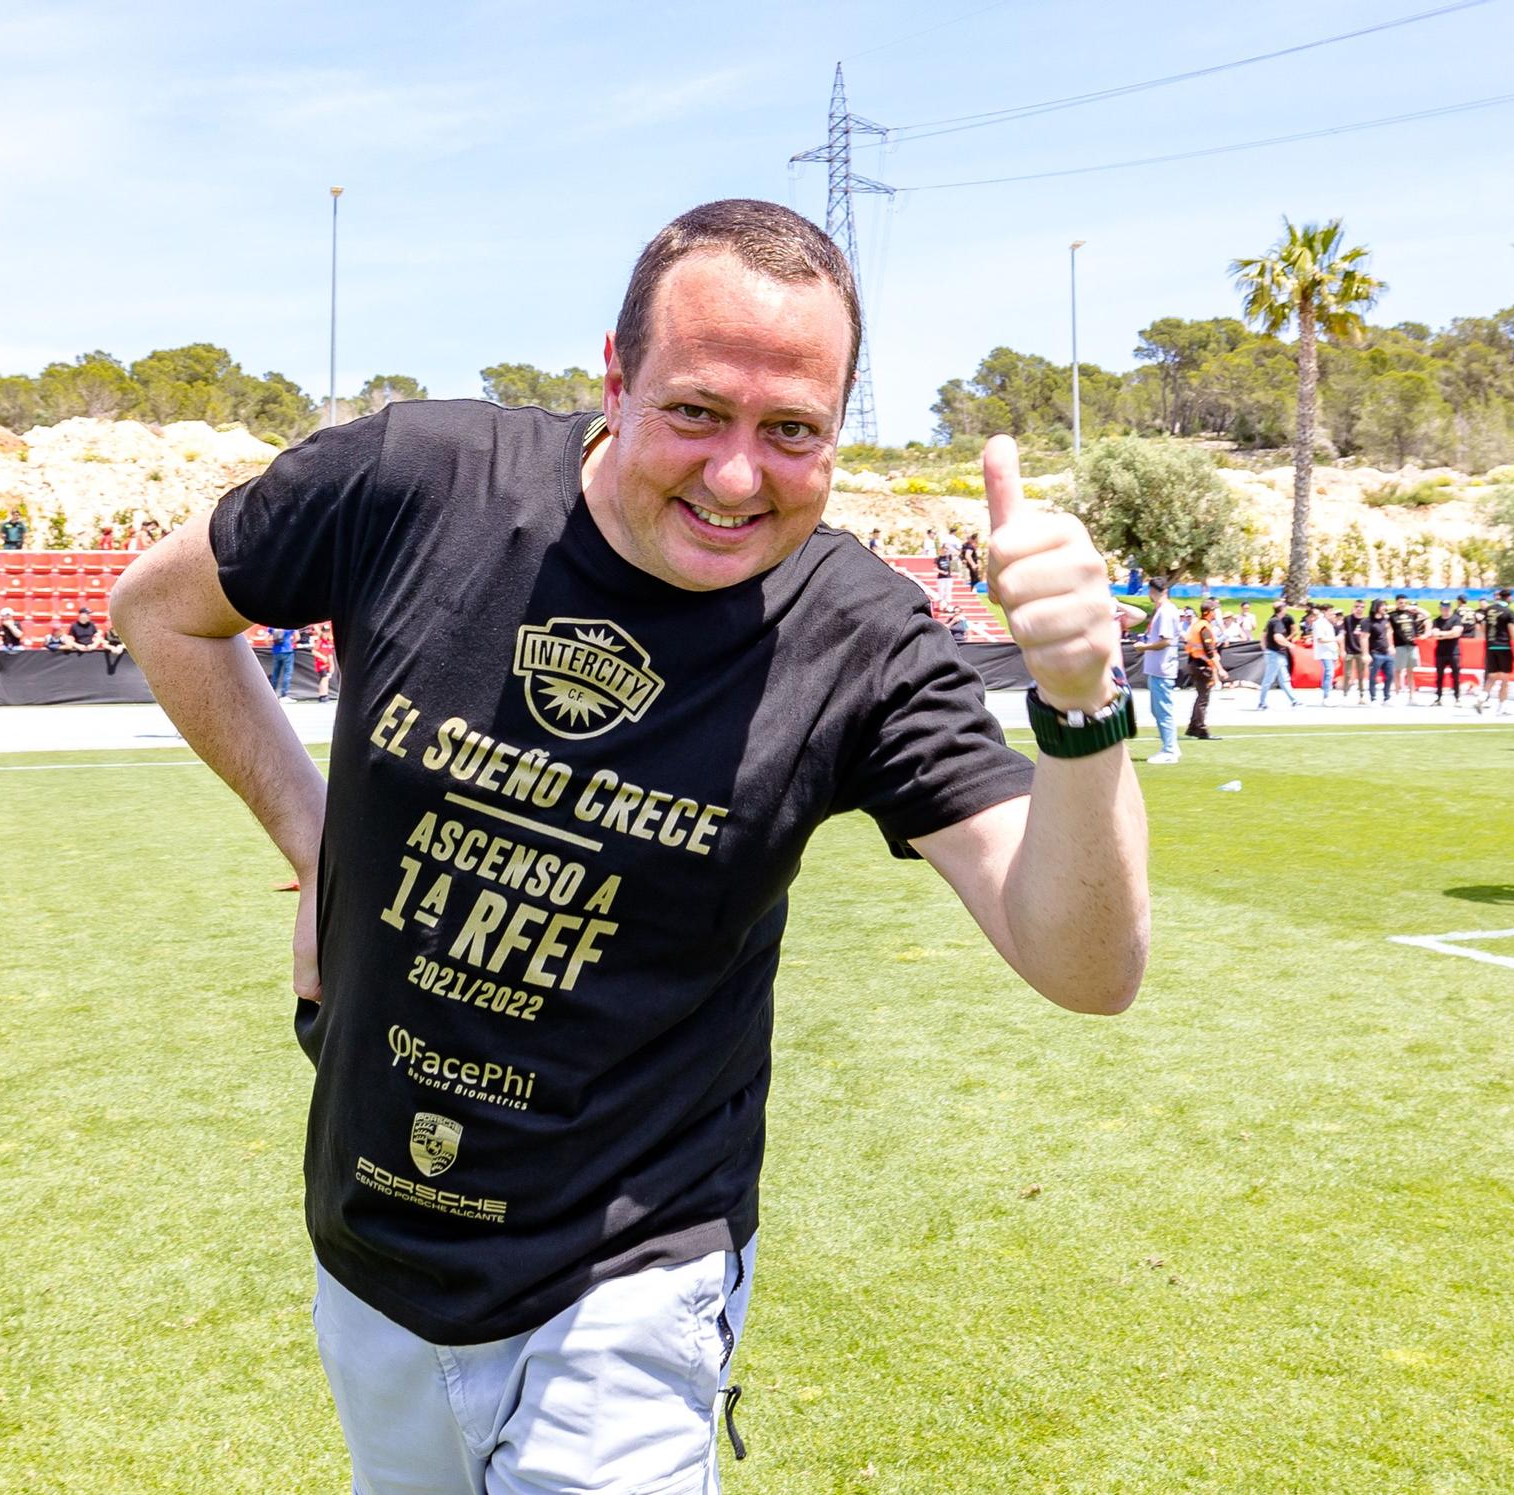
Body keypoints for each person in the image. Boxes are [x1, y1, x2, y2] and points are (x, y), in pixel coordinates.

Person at [110, 198, 1149, 1495]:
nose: (736, 476)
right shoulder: (415, 484)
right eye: (697, 411)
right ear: (615, 374)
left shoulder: (852, 639)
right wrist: (317, 843)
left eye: (793, 433)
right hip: (371, 1238)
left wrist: (1082, 701)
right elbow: (162, 608)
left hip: (629, 1284)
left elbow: (1086, 962)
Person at [1138, 577, 1182, 763]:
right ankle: (1171, 747)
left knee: (1163, 710)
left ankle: (1169, 750)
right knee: (1159, 710)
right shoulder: (1165, 610)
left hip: (1162, 668)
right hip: (1160, 667)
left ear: (1152, 590)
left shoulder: (1165, 611)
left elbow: (1166, 640)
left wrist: (1144, 647)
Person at [1184, 599, 1226, 740]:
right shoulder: (1205, 628)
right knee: (1203, 699)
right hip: (1201, 666)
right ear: (1209, 612)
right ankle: (1201, 729)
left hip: (1194, 663)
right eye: (1214, 610)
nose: (1216, 613)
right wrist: (1220, 669)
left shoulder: (1197, 625)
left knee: (1200, 697)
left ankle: (1193, 727)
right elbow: (1209, 651)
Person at [1479, 586, 1514, 716]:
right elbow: (1512, 632)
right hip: (1504, 646)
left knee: (1491, 676)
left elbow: (1483, 628)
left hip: (1491, 646)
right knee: (1505, 679)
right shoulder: (1509, 612)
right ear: (1509, 597)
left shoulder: (1488, 610)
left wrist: (1490, 640)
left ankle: (1482, 697)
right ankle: (1502, 707)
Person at [1256, 598, 1300, 710]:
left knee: (1284, 679)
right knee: (1269, 679)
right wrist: (1289, 644)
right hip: (1275, 655)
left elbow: (1263, 635)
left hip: (1277, 654)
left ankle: (1294, 701)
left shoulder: (1273, 620)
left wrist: (1264, 647)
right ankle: (1261, 703)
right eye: (1285, 607)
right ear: (1282, 609)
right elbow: (1278, 637)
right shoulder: (1276, 622)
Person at [1390, 593, 1424, 701]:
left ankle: (1412, 694)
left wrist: (1415, 608)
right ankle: (1397, 693)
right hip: (1400, 645)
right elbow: (1383, 611)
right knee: (1398, 670)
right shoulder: (1393, 615)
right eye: (1400, 602)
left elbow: (1426, 614)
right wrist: (1395, 607)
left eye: (1404, 602)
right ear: (1396, 603)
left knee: (1410, 671)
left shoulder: (1411, 614)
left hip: (1412, 645)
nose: (1402, 604)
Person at [1429, 600, 1464, 703]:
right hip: (1440, 652)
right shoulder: (1436, 621)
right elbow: (1435, 635)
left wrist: (1441, 634)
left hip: (1454, 652)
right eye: (1443, 607)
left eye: (1447, 607)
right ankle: (1438, 697)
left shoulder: (1456, 619)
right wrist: (1449, 634)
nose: (1445, 609)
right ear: (1440, 608)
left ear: (1450, 608)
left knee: (1456, 676)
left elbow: (1456, 633)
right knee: (1439, 676)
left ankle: (1457, 697)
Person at [1363, 598, 1395, 703]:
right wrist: (1365, 653)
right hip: (1375, 653)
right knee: (1373, 677)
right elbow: (1364, 638)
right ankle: (1374, 698)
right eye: (1382, 606)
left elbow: (1389, 632)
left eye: (1385, 605)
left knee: (1390, 675)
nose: (1385, 608)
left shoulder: (1385, 620)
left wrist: (1391, 646)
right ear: (1376, 607)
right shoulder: (1368, 622)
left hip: (1387, 652)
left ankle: (1387, 697)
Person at [1309, 603, 1342, 703]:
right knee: (1329, 672)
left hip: (1331, 651)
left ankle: (1326, 691)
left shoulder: (1329, 623)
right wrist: (1335, 639)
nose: (1332, 614)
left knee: (1329, 673)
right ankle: (1326, 696)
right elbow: (1320, 639)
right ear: (1324, 612)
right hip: (1324, 652)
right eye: (1330, 611)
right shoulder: (1318, 623)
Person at [1340, 599, 1368, 703]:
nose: (1359, 609)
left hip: (1361, 651)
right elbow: (1343, 634)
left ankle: (1362, 695)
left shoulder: (1366, 620)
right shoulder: (1347, 619)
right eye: (1357, 606)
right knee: (1347, 674)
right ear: (1354, 607)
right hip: (1349, 650)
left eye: (1361, 607)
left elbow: (1368, 637)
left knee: (1361, 674)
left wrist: (1367, 652)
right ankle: (1345, 694)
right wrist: (1342, 650)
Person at [267, 625, 297, 698]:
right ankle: (284, 695)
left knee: (275, 674)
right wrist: (290, 643)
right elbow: (297, 637)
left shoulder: (272, 625)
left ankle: (272, 694)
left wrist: (273, 646)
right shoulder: (290, 623)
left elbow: (267, 640)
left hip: (276, 651)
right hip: (287, 651)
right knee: (287, 674)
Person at [311, 623, 337, 701]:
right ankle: (323, 695)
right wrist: (322, 657)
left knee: (326, 678)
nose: (326, 633)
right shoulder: (320, 641)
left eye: (327, 631)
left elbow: (330, 655)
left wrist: (332, 665)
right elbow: (314, 651)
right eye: (325, 631)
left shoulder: (328, 642)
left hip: (327, 665)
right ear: (322, 632)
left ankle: (325, 694)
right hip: (320, 664)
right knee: (324, 678)